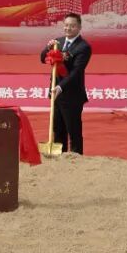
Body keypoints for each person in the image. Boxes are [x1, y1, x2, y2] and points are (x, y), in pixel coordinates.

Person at [39, 13, 92, 154]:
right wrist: (48, 48)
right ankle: (60, 157)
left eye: (72, 26)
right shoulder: (58, 42)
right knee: (58, 129)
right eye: (66, 25)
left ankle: (75, 158)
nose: (68, 28)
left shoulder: (84, 47)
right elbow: (42, 58)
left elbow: (77, 71)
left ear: (79, 27)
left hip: (72, 95)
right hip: (55, 93)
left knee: (73, 131)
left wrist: (61, 87)